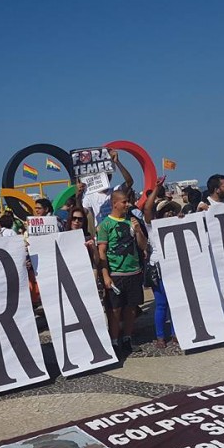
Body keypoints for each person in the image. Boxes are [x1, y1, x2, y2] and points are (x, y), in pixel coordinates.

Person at [97, 190, 146, 356]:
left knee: (131, 308)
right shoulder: (105, 225)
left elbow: (143, 246)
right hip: (116, 274)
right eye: (124, 202)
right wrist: (105, 275)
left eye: (128, 202)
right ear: (115, 203)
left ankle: (127, 338)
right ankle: (114, 340)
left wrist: (138, 231)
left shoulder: (132, 221)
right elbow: (102, 252)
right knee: (115, 310)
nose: (127, 205)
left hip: (133, 271)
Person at [143, 179, 176, 349]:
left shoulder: (176, 224)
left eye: (171, 211)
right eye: (165, 211)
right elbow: (147, 208)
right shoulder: (152, 226)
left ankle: (176, 333)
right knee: (162, 303)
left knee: (176, 301)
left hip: (174, 267)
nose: (169, 213)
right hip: (158, 269)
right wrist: (156, 188)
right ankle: (160, 336)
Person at [80, 149, 135, 226]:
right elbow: (83, 212)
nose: (107, 178)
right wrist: (78, 195)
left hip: (119, 227)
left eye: (108, 175)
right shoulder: (89, 195)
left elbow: (129, 182)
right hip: (102, 230)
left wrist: (117, 162)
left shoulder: (115, 191)